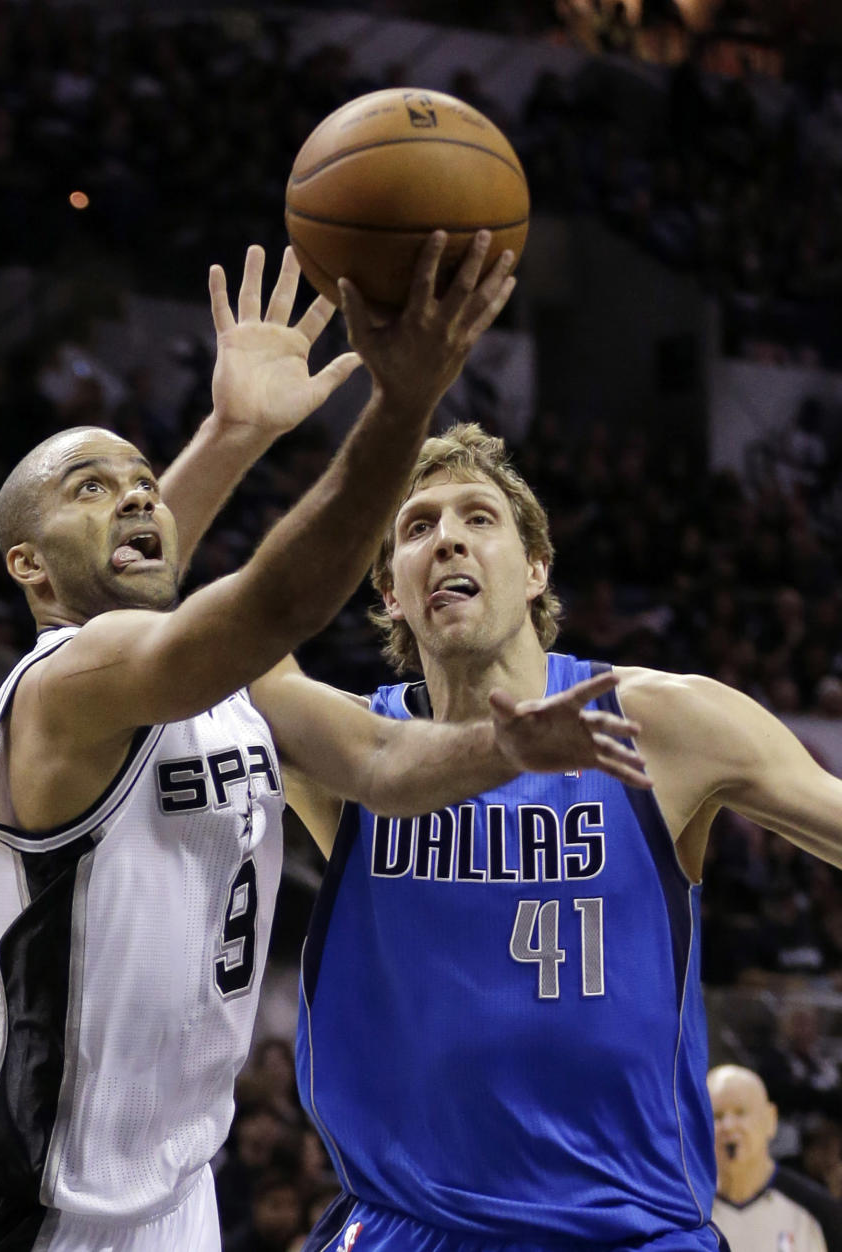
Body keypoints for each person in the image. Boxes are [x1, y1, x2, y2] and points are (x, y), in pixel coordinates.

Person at [0, 242, 646, 1252]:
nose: (130, 494)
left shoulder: (230, 691)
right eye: (87, 486)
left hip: (173, 1195)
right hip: (35, 1204)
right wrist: (401, 406)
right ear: (27, 565)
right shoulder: (64, 684)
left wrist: (509, 752)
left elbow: (384, 766)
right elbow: (269, 600)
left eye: (139, 478)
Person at [285, 422, 842, 1252]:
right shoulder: (347, 751)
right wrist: (247, 434)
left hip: (625, 1228)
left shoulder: (660, 721)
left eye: (479, 518)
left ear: (536, 568)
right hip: (411, 1227)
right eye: (416, 526)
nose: (447, 541)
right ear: (390, 593)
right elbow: (205, 649)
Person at [709, 1064, 842, 1252]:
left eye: (741, 1112)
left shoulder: (821, 1213)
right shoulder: (686, 1214)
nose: (729, 1126)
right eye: (717, 1116)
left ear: (771, 1119)